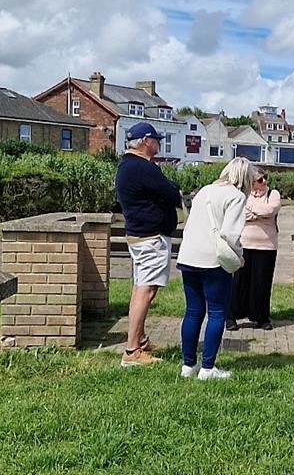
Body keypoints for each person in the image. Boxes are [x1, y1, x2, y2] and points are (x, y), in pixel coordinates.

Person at [176, 158, 253, 380]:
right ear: (245, 177)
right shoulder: (236, 197)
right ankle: (208, 368)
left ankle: (188, 365)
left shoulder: (205, 191)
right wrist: (239, 257)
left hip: (189, 255)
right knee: (217, 313)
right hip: (214, 260)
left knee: (192, 311)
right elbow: (231, 234)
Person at [115, 122, 182, 367]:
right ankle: (132, 351)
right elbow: (172, 193)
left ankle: (140, 340)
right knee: (145, 290)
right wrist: (173, 190)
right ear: (146, 140)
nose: (159, 143)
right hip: (149, 239)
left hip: (142, 236)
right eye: (157, 139)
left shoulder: (128, 165)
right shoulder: (141, 167)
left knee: (141, 289)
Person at [226, 167, 281, 331]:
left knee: (262, 283)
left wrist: (253, 212)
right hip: (245, 244)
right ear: (251, 182)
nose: (263, 182)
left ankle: (261, 317)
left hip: (267, 246)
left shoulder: (273, 194)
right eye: (259, 180)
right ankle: (231, 316)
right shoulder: (243, 195)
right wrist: (260, 215)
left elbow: (271, 210)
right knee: (239, 282)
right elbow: (241, 214)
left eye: (265, 178)